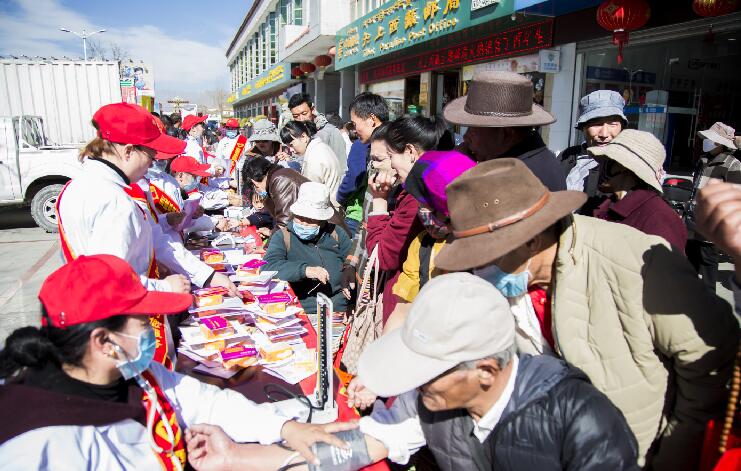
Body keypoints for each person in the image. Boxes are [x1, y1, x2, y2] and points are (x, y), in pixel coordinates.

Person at [432, 158, 740, 470]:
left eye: (486, 258)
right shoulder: (497, 286)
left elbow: (708, 362)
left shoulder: (634, 261)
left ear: (530, 241)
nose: (479, 270)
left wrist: (675, 455)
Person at [183, 273, 640, 471]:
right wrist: (237, 457)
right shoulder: (430, 401)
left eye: (428, 372)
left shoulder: (583, 421)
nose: (414, 384)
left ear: (485, 371)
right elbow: (359, 444)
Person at [0, 255, 353, 470]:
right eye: (143, 321)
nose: (151, 329)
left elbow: (205, 402)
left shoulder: (131, 374)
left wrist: (285, 428)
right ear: (104, 342)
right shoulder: (38, 442)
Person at [365, 116, 449, 323]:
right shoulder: (421, 189)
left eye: (390, 156)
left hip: (411, 308)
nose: (391, 164)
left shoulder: (415, 199)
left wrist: (379, 202)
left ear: (410, 152)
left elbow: (382, 257)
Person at [382, 150, 475, 333]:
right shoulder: (422, 244)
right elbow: (402, 312)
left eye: (430, 204)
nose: (423, 211)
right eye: (420, 203)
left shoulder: (486, 245)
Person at [443, 71, 566, 191]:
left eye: (473, 129)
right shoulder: (544, 159)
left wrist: (458, 169)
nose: (466, 137)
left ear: (506, 134)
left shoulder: (505, 179)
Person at [589, 129, 687, 252]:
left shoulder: (660, 217)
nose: (600, 166)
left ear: (623, 166)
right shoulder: (606, 206)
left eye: (607, 160)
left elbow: (668, 263)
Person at [263, 182, 352, 314]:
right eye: (300, 217)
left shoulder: (337, 233)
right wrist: (304, 270)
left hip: (338, 307)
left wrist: (350, 271)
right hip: (303, 309)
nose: (304, 223)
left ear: (322, 220)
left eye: (311, 219)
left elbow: (352, 258)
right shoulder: (282, 237)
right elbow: (268, 268)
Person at [687, 122, 741, 289]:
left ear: (721, 143)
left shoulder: (733, 165)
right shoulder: (702, 160)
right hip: (692, 222)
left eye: (712, 139)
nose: (707, 141)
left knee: (708, 268)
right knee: (690, 266)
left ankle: (708, 300)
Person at [241, 157, 348, 234]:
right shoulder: (277, 177)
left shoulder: (280, 180)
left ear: (254, 182)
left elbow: (285, 222)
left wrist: (267, 248)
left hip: (329, 235)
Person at [339, 92, 389, 239]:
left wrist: (340, 197)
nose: (354, 130)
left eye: (355, 124)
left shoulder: (361, 145)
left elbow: (354, 176)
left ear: (371, 119)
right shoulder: (390, 139)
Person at [559, 90, 627, 196]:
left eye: (612, 124)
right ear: (583, 127)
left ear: (621, 127)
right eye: (597, 124)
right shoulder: (567, 156)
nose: (604, 134)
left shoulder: (626, 166)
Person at [695, 179, 741, 318]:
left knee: (708, 266)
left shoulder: (731, 166)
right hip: (697, 226)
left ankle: (708, 306)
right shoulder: (703, 166)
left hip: (713, 232)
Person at [280, 120, 343, 209]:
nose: (291, 150)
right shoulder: (319, 148)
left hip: (325, 210)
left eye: (291, 145)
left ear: (303, 137)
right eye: (288, 147)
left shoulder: (315, 156)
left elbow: (311, 194)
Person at [289, 93, 348, 173]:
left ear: (312, 110)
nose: (301, 119)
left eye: (304, 113)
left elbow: (342, 167)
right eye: (296, 116)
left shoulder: (331, 132)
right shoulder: (294, 134)